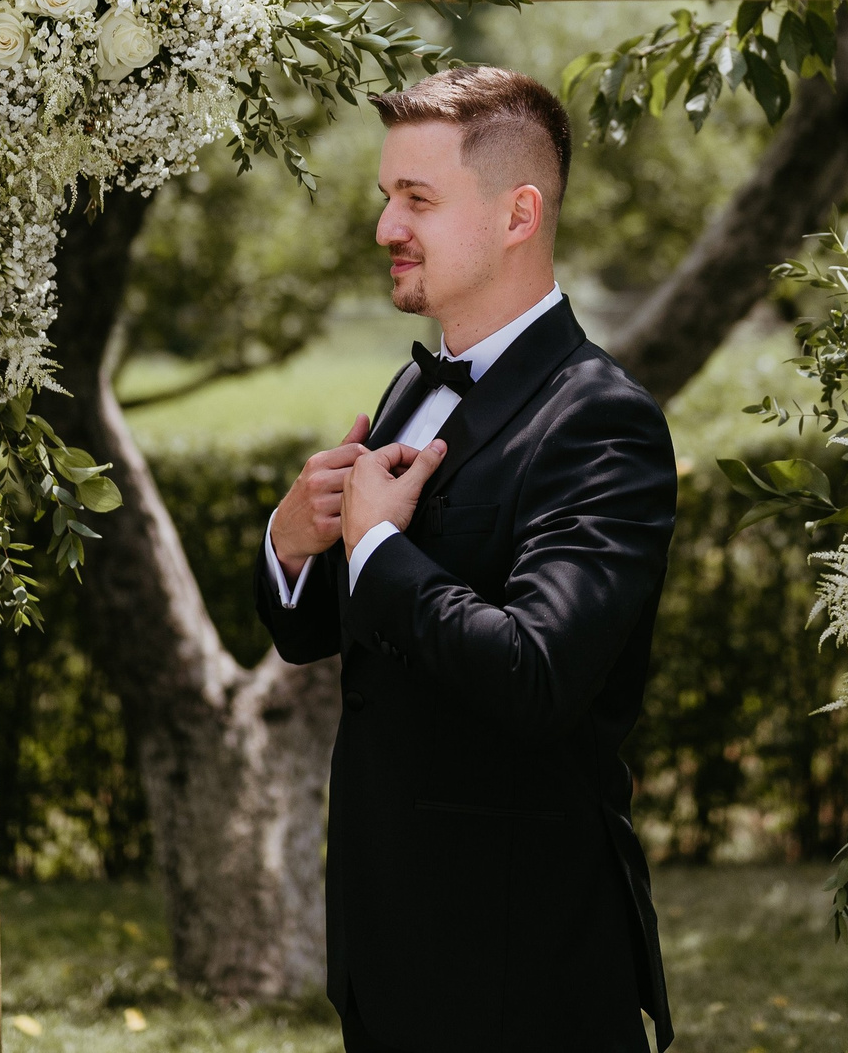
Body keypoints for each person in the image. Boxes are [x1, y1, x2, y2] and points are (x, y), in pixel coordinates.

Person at [255, 65, 680, 1053]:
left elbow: (537, 674)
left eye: (417, 198)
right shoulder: (412, 389)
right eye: (385, 196)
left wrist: (376, 543)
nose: (385, 227)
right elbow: (330, 631)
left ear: (517, 213)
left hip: (517, 966)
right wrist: (295, 541)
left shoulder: (601, 421)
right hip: (388, 950)